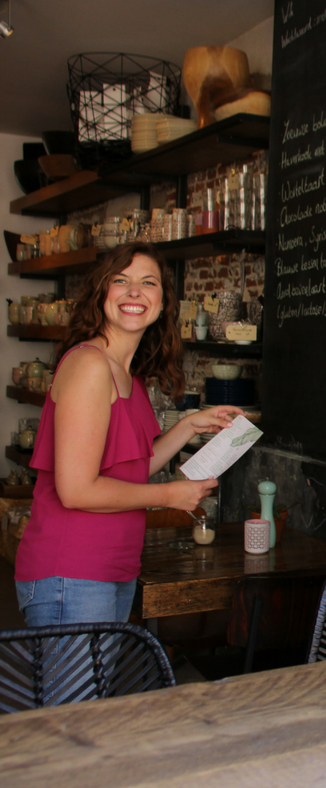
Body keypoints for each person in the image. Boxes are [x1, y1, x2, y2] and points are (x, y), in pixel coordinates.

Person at [15, 242, 244, 627]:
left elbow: (131, 468)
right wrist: (170, 495)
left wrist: (188, 424)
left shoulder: (127, 375)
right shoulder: (90, 365)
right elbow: (76, 489)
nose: (135, 291)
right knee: (80, 691)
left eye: (148, 282)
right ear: (102, 292)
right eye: (121, 280)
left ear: (162, 301)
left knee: (98, 690)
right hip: (71, 570)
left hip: (110, 568)